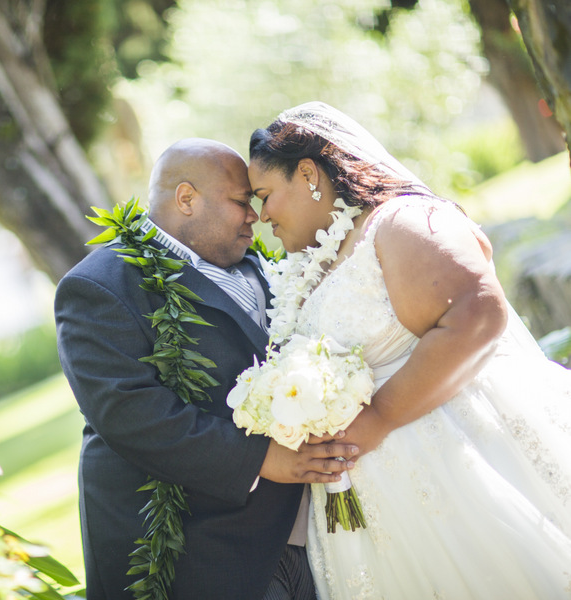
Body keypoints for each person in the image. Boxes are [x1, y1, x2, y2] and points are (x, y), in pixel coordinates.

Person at [247, 101, 571, 599]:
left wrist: (377, 416)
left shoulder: (399, 222)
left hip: (463, 472)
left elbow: (477, 316)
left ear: (308, 173)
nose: (261, 214)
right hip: (375, 519)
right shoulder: (315, 265)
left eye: (266, 195)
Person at [55, 138, 359, 599]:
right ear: (186, 199)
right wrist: (262, 459)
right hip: (199, 558)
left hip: (308, 536)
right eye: (242, 202)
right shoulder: (98, 286)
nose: (255, 215)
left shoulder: (264, 264)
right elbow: (130, 413)